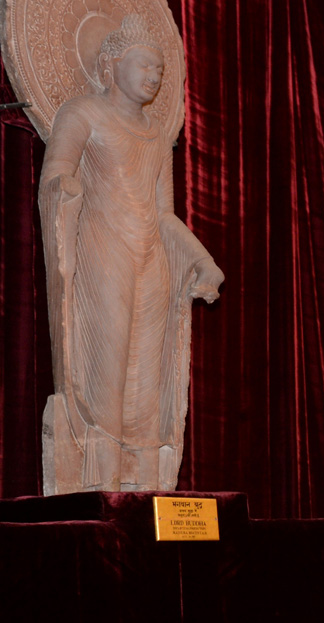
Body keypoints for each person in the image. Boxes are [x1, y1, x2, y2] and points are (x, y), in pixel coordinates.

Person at [38, 15, 224, 494]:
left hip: (152, 259)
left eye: (160, 70)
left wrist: (203, 260)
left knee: (148, 374)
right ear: (111, 63)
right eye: (144, 64)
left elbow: (165, 215)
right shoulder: (81, 114)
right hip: (103, 250)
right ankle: (97, 483)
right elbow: (56, 172)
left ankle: (143, 486)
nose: (154, 76)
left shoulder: (157, 137)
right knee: (106, 364)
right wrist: (65, 189)